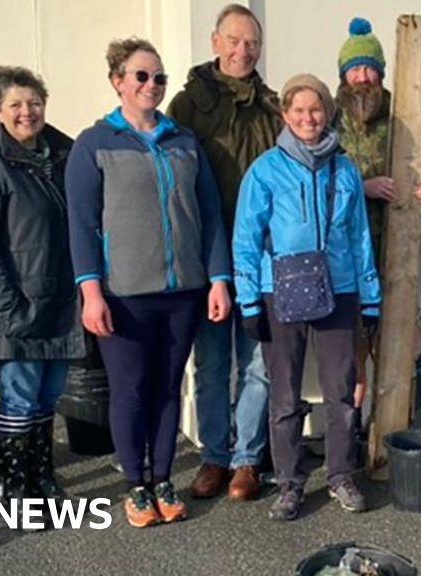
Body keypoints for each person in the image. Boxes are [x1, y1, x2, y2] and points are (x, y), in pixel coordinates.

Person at [66, 37, 231, 528]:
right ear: (118, 81)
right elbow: (81, 224)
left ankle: (162, 478)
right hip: (124, 294)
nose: (151, 84)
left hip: (184, 291)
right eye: (141, 75)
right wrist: (90, 291)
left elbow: (210, 215)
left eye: (158, 76)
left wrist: (218, 279)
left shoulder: (183, 141)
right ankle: (134, 486)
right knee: (131, 390)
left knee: (167, 388)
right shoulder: (94, 144)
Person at [233, 73, 381, 521]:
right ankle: (290, 483)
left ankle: (341, 475)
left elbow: (359, 238)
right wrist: (249, 301)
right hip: (280, 292)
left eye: (315, 109)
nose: (307, 118)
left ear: (327, 112)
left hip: (339, 289)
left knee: (340, 392)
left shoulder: (346, 168)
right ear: (285, 115)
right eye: (298, 110)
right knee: (284, 395)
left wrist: (370, 297)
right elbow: (245, 236)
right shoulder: (264, 170)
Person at [166, 3, 282, 501]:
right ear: (215, 42)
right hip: (209, 258)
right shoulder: (186, 106)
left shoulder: (274, 106)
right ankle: (214, 455)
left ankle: (247, 459)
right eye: (233, 41)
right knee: (212, 363)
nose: (242, 50)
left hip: (263, 257)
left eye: (251, 43)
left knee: (257, 363)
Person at [0, 66, 85, 510]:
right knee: (19, 400)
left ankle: (43, 480)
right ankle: (17, 494)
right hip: (18, 305)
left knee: (47, 399)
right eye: (15, 104)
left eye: (33, 103)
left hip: (61, 302)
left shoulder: (65, 156)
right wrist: (6, 309)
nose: (26, 112)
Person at [334, 16, 421, 417]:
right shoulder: (328, 122)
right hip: (344, 263)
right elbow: (314, 185)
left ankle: (394, 431)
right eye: (355, 69)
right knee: (349, 358)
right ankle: (352, 438)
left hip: (395, 260)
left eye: (369, 68)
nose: (363, 77)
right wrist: (361, 187)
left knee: (398, 352)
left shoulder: (405, 119)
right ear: (344, 75)